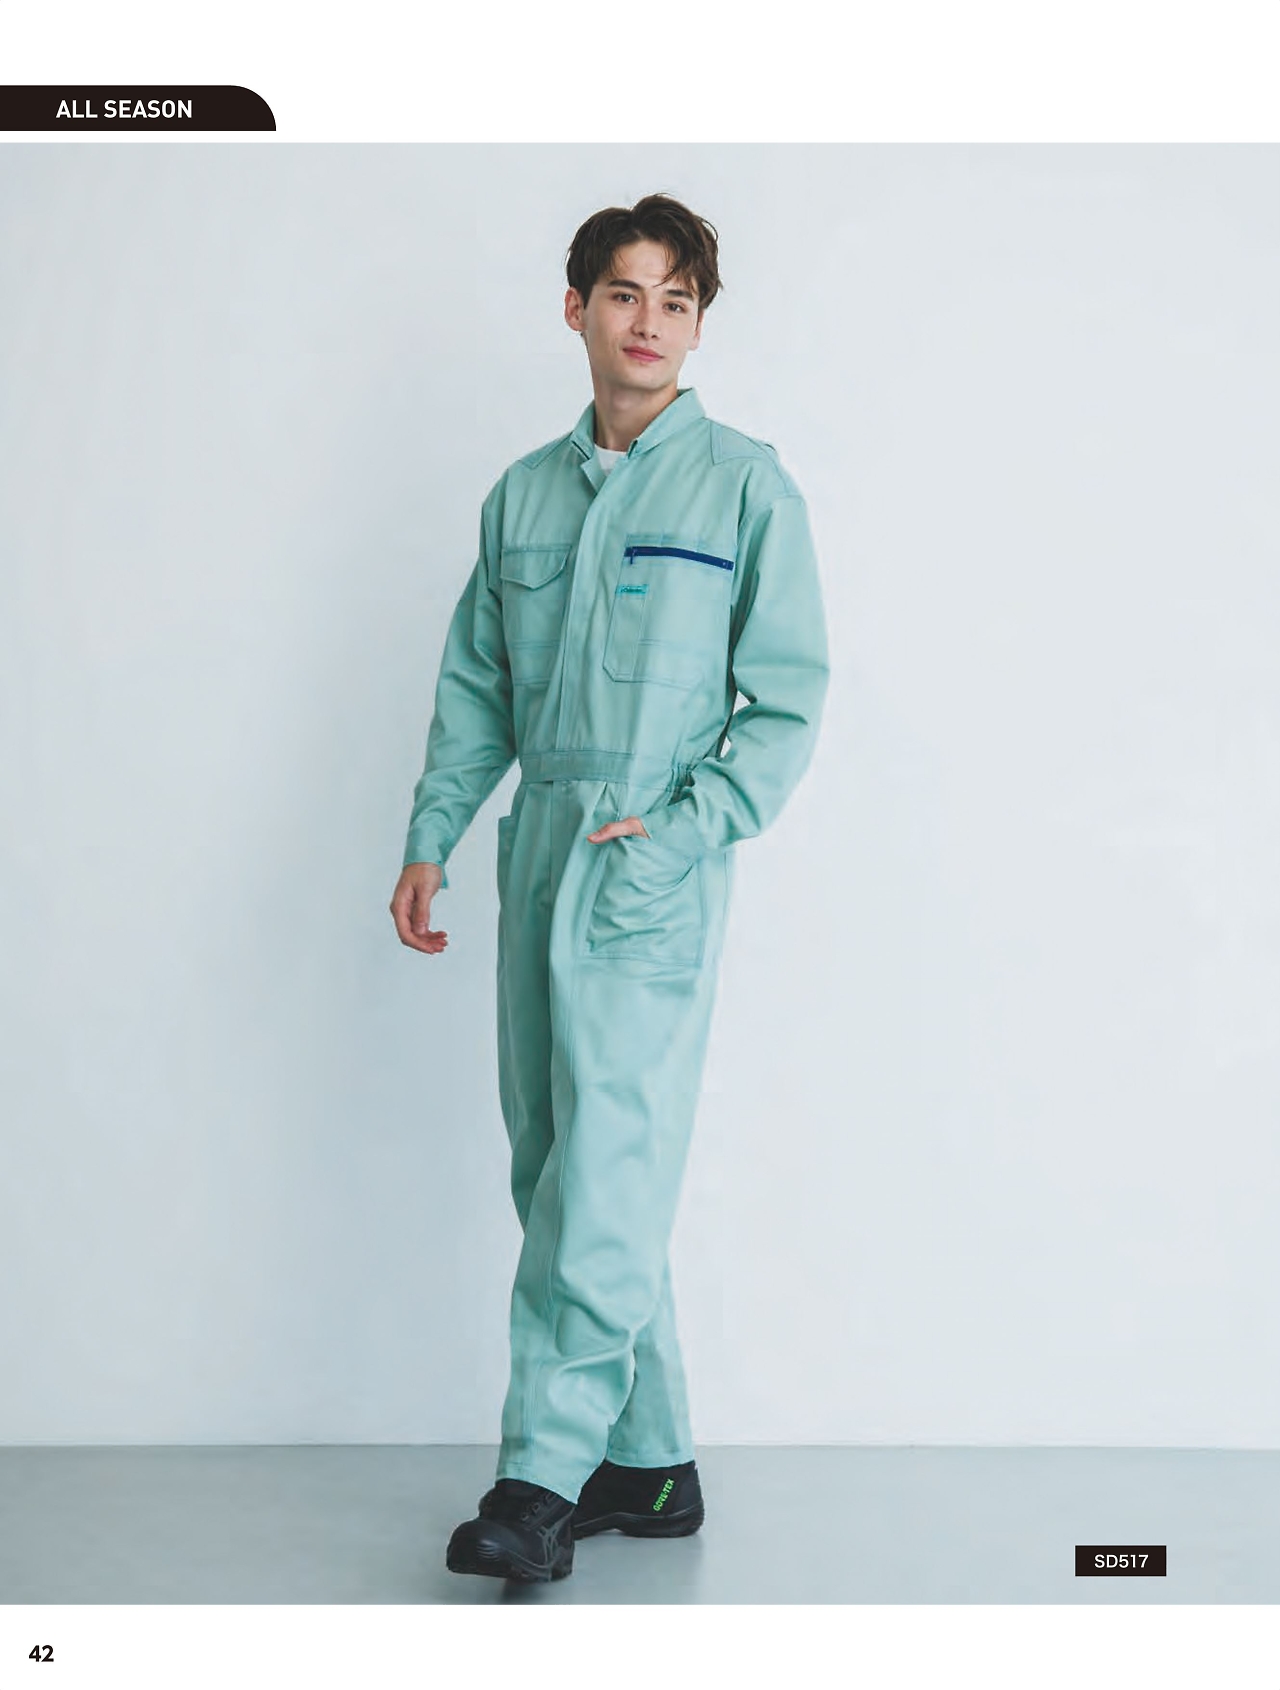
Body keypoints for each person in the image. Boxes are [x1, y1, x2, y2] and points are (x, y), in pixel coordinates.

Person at [389, 192, 829, 1582]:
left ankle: (541, 1473)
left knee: (607, 1175)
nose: (650, 322)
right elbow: (476, 686)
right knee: (557, 1159)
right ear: (576, 308)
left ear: (700, 327)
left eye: (676, 301)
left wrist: (690, 829)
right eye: (626, 294)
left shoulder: (746, 487)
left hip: (649, 860)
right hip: (539, 845)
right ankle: (649, 1465)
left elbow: (787, 700)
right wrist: (434, 831)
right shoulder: (522, 494)